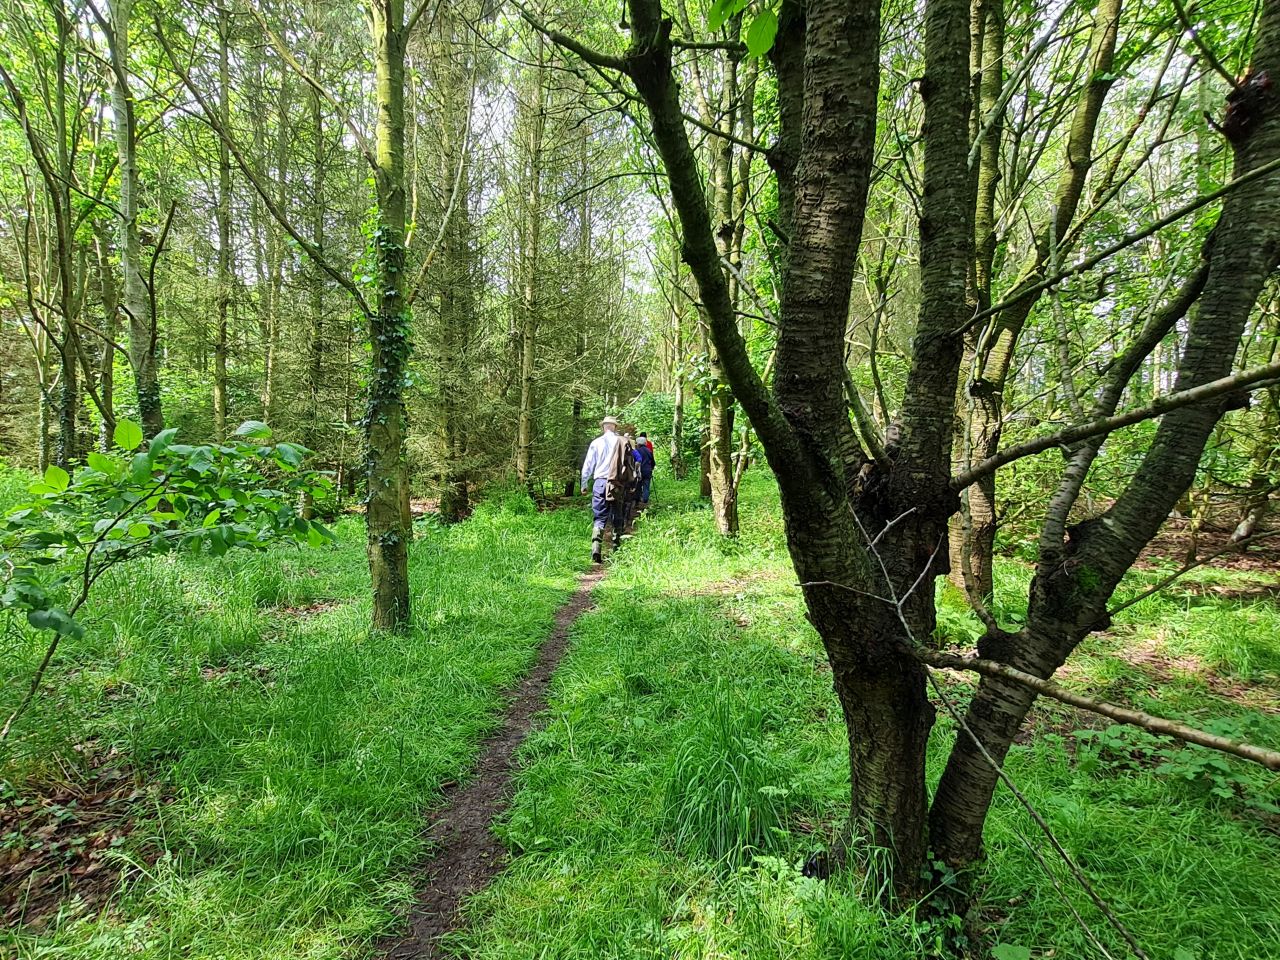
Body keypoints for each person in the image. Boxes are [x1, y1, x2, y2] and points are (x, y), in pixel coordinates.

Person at [580, 416, 626, 563]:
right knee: (617, 516)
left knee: (599, 517)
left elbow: (588, 465)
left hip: (600, 482)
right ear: (615, 427)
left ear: (603, 427)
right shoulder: (621, 442)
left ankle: (596, 548)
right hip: (617, 483)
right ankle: (616, 549)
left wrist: (584, 483)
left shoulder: (596, 442)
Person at [634, 432, 656, 510]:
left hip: (639, 471)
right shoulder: (649, 451)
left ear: (638, 443)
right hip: (647, 470)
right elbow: (653, 461)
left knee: (638, 486)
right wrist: (652, 467)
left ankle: (637, 500)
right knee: (646, 485)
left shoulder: (636, 451)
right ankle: (645, 500)